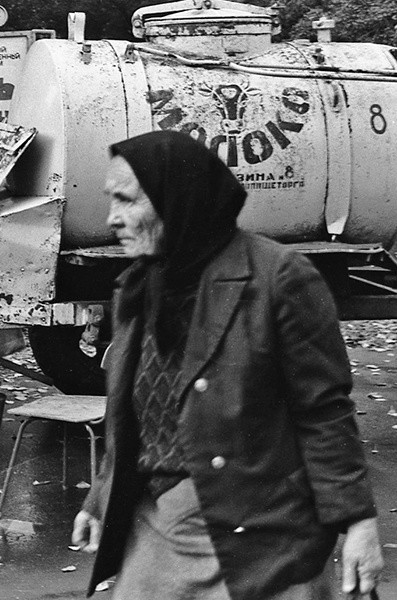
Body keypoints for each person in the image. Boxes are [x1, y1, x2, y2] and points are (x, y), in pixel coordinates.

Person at [71, 130, 383, 600]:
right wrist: (101, 498)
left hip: (257, 526)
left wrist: (358, 521)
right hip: (159, 521)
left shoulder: (279, 278)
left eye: (127, 201)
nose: (111, 218)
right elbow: (134, 418)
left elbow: (323, 411)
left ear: (177, 200)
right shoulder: (137, 286)